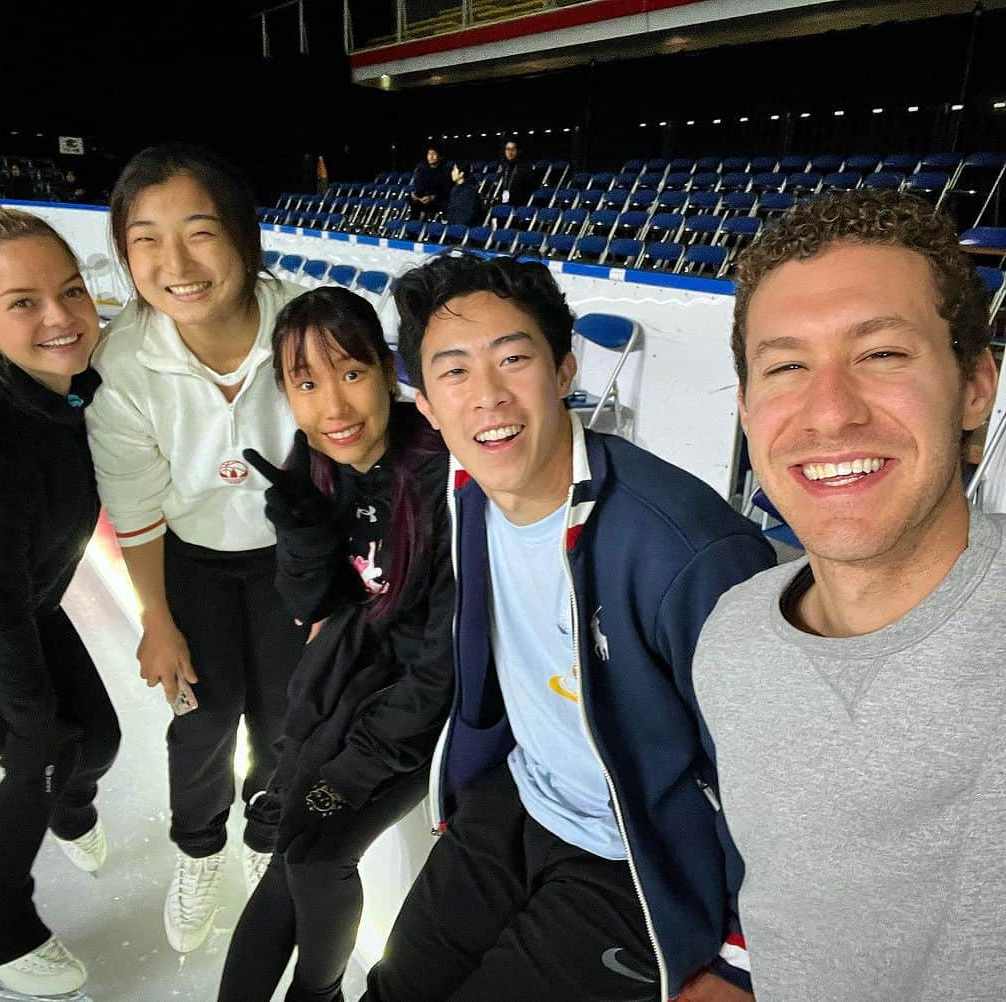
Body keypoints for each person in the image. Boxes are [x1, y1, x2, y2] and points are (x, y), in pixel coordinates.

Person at [361, 252, 776, 1002]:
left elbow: (776, 768)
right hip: (517, 798)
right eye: (452, 372)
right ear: (425, 404)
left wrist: (742, 960)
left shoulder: (686, 551)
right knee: (392, 987)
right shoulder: (466, 490)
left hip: (638, 860)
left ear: (563, 370)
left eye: (513, 359)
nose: (487, 396)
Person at [693, 189, 1004, 1001]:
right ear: (747, 408)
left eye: (883, 354)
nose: (829, 413)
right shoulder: (732, 638)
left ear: (976, 386)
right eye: (788, 366)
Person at [85, 144, 307, 955]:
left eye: (199, 232)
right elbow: (136, 507)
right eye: (145, 239)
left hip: (294, 563)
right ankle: (201, 848)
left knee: (287, 718)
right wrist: (157, 618)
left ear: (245, 238)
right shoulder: (124, 362)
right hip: (193, 562)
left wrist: (337, 593)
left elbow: (357, 457)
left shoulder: (306, 324)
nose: (174, 262)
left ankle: (264, 835)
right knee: (202, 716)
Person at [218, 286, 454, 1002]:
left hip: (426, 708)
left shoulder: (443, 475)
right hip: (346, 684)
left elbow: (441, 665)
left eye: (350, 373)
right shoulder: (317, 461)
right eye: (307, 383)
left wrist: (348, 772)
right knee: (291, 847)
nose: (335, 407)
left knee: (314, 855)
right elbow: (311, 607)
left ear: (387, 370)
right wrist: (300, 536)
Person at [0, 202, 120, 998]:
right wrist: (34, 732)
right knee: (47, 748)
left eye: (70, 290)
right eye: (23, 304)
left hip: (24, 595)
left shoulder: (67, 386)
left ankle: (68, 805)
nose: (62, 318)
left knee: (98, 742)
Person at [409, 146, 452, 220]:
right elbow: (418, 185)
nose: (431, 157)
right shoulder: (422, 169)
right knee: (413, 201)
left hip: (438, 199)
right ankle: (413, 226)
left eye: (434, 154)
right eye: (429, 154)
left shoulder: (445, 171)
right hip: (423, 198)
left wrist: (432, 197)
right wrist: (416, 195)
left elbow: (446, 191)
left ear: (440, 157)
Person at [496, 139, 535, 207]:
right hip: (504, 202)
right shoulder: (504, 167)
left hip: (519, 204)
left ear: (518, 151)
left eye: (513, 149)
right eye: (507, 149)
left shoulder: (525, 168)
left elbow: (529, 189)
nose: (510, 152)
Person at [445, 162, 484, 227]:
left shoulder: (470, 191)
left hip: (465, 227)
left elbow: (468, 214)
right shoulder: (454, 189)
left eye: (454, 170)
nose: (452, 173)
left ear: (461, 174)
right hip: (454, 225)